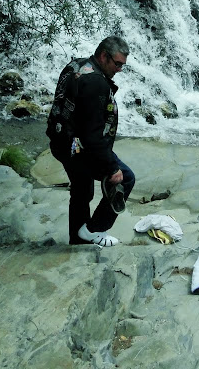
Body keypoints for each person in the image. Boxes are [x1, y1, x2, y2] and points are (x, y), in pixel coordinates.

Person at [47, 36, 136, 247]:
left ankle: (78, 240)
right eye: (117, 64)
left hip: (61, 141)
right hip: (80, 148)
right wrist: (112, 168)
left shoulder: (76, 64)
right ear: (104, 56)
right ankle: (94, 230)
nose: (119, 70)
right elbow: (92, 136)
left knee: (82, 191)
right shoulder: (95, 83)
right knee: (126, 178)